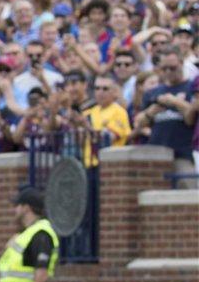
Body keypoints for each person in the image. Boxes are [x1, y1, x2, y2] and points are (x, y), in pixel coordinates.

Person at [135, 46, 197, 188]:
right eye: (164, 69)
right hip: (156, 155)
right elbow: (139, 124)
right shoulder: (153, 92)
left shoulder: (191, 88)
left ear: (181, 63)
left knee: (188, 194)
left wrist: (175, 102)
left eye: (172, 68)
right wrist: (153, 110)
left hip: (183, 154)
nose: (168, 72)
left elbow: (191, 119)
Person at [84, 78, 132, 147]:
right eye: (97, 88)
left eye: (105, 89)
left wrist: (87, 127)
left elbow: (109, 138)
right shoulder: (89, 112)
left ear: (114, 92)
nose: (100, 92)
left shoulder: (119, 112)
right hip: (89, 157)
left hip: (110, 157)